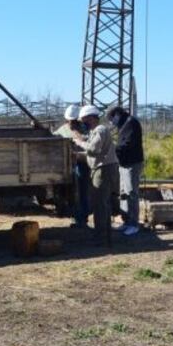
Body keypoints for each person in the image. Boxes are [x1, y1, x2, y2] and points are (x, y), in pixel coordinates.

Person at [73, 105, 120, 246]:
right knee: (101, 203)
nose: (83, 122)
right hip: (102, 168)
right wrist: (78, 155)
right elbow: (95, 152)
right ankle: (104, 235)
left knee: (100, 204)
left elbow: (93, 149)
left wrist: (80, 142)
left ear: (92, 118)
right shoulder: (96, 131)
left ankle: (101, 237)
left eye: (84, 119)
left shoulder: (100, 130)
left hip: (103, 170)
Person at [108, 106, 144, 236]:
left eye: (111, 118)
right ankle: (126, 221)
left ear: (117, 114)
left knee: (131, 193)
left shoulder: (131, 123)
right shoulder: (124, 123)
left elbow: (128, 144)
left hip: (132, 163)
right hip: (123, 163)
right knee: (123, 193)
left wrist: (113, 149)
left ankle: (134, 224)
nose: (111, 122)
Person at [53, 104, 90, 229]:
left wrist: (78, 136)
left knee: (83, 192)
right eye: (70, 120)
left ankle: (82, 218)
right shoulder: (62, 130)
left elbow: (92, 144)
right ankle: (76, 216)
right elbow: (52, 137)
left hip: (83, 164)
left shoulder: (86, 129)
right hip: (67, 166)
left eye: (74, 120)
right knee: (72, 193)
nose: (72, 123)